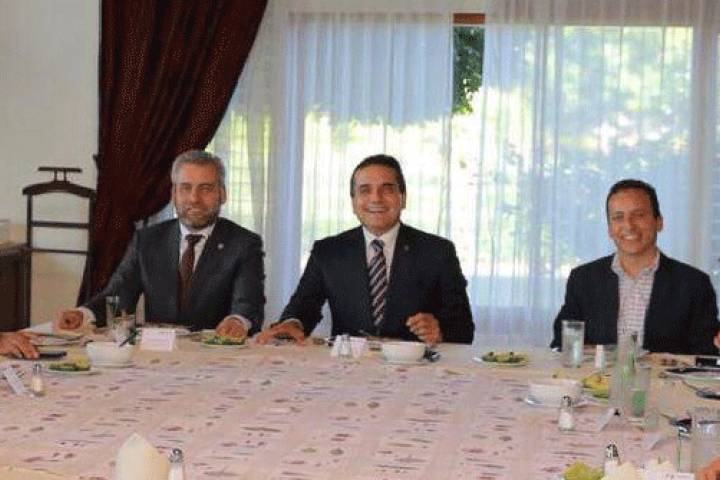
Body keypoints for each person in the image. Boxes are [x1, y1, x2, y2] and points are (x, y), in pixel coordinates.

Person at [257, 154, 474, 345]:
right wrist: (291, 324)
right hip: (348, 366)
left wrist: (440, 330)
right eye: (365, 190)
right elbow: (303, 307)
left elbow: (464, 329)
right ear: (353, 202)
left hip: (416, 367)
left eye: (387, 189)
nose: (376, 198)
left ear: (403, 198)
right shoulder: (328, 251)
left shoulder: (438, 252)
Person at [55, 150, 265, 337]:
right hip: (158, 354)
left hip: (216, 354)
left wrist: (237, 321)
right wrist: (83, 314)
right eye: (185, 188)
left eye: (206, 188)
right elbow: (118, 294)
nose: (194, 198)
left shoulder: (244, 244)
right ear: (173, 194)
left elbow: (248, 302)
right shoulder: (147, 240)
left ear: (223, 194)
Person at [551, 179, 718, 354]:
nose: (629, 225)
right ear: (610, 228)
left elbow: (706, 353)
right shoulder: (583, 279)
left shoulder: (694, 284)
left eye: (639, 215)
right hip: (597, 373)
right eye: (618, 217)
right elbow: (563, 343)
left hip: (669, 373)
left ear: (659, 222)